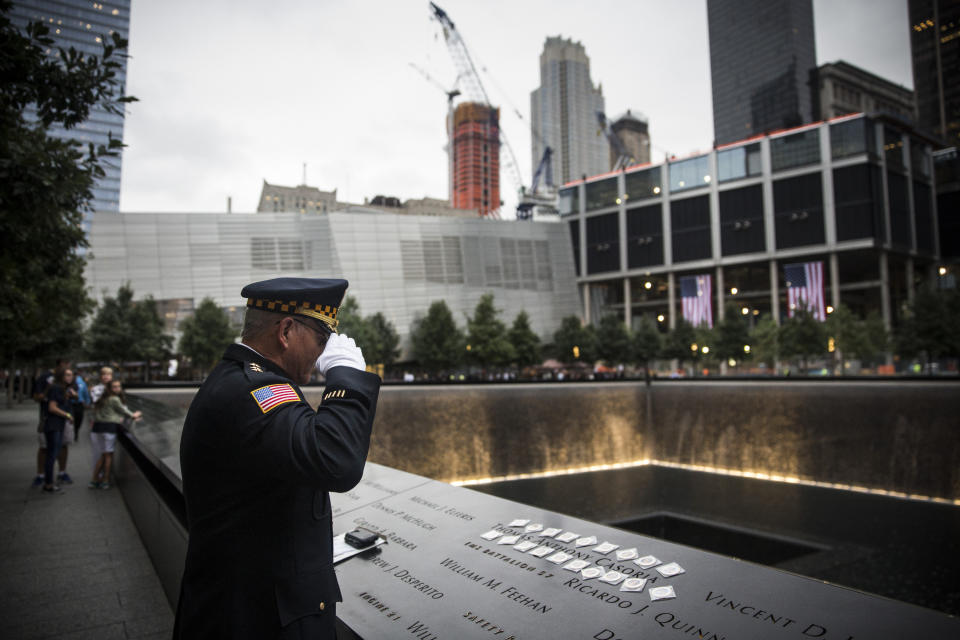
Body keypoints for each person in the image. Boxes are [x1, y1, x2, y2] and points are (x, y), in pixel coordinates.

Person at [174, 277, 380, 639]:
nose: (321, 352)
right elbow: (335, 459)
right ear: (286, 331)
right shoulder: (254, 389)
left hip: (251, 606)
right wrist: (346, 374)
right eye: (321, 338)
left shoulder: (242, 381)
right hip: (259, 620)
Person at [89, 378, 142, 489]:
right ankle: (105, 480)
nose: (117, 389)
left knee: (103, 454)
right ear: (109, 388)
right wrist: (134, 415)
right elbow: (123, 411)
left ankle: (94, 479)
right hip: (109, 428)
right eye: (115, 387)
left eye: (118, 386)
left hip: (98, 428)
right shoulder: (114, 399)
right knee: (108, 455)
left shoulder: (103, 398)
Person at [41, 368, 76, 493]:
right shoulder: (56, 388)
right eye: (67, 375)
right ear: (61, 376)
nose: (70, 377)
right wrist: (67, 415)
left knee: (53, 453)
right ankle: (48, 484)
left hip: (57, 425)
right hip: (53, 425)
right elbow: (52, 408)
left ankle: (49, 483)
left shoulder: (62, 389)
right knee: (52, 454)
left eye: (71, 375)